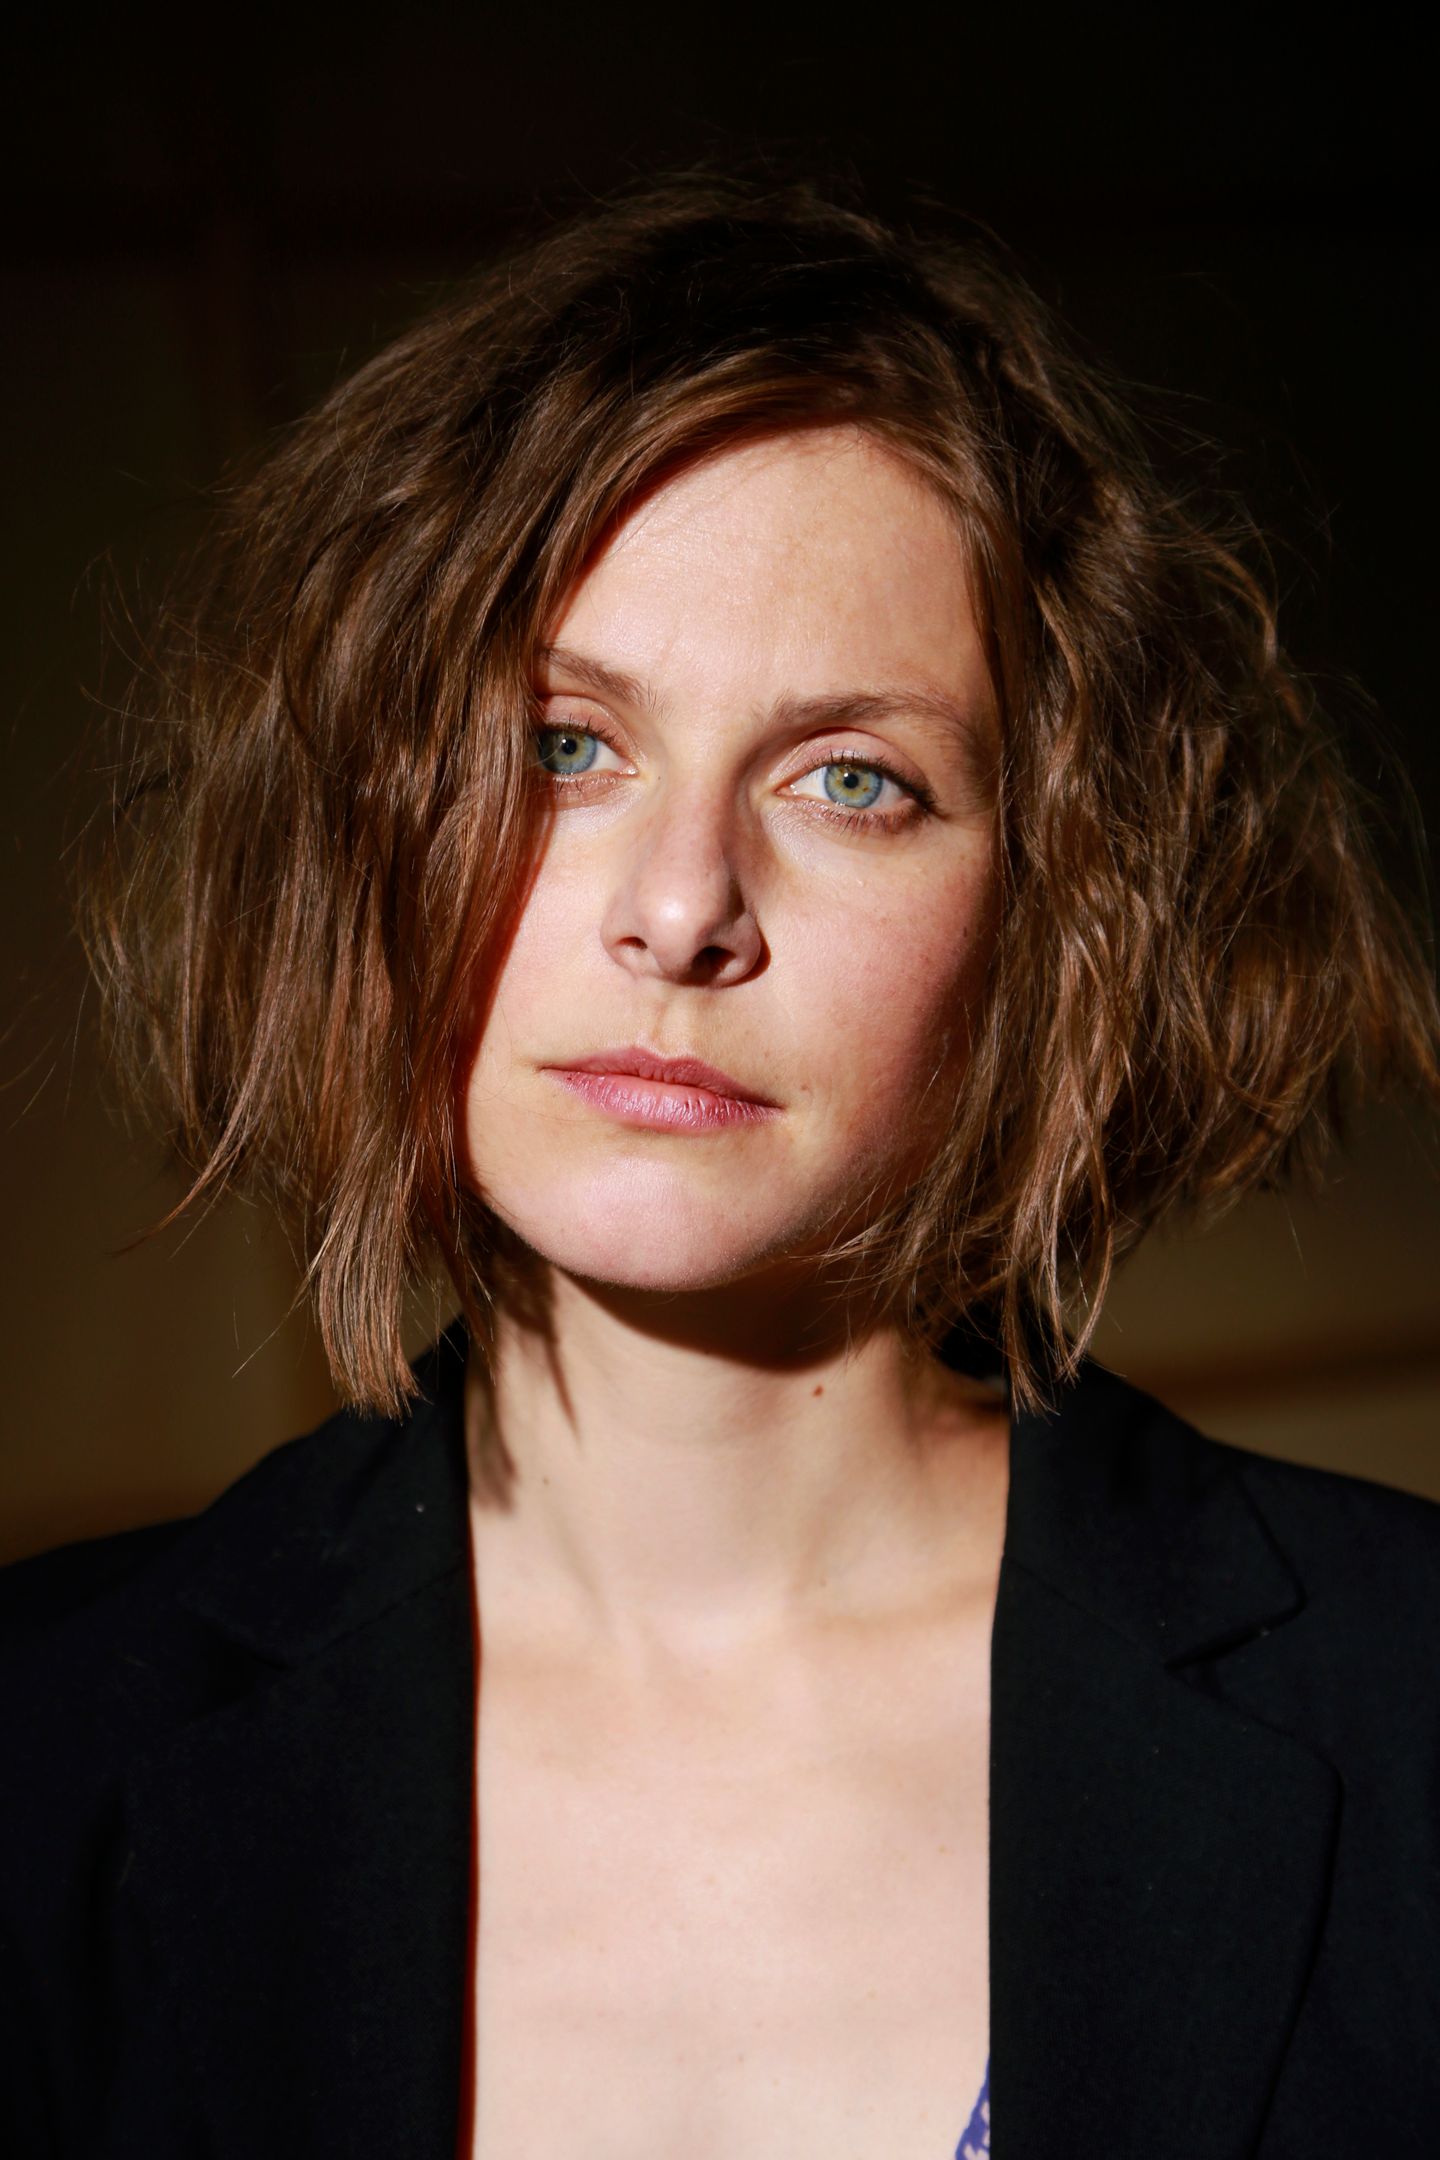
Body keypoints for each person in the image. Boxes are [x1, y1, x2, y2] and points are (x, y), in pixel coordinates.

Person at [1, 172, 1437, 2160]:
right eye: (561, 746)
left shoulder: (1401, 1705)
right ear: (363, 823)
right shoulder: (49, 1750)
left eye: (853, 782)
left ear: (1052, 914)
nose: (680, 910)